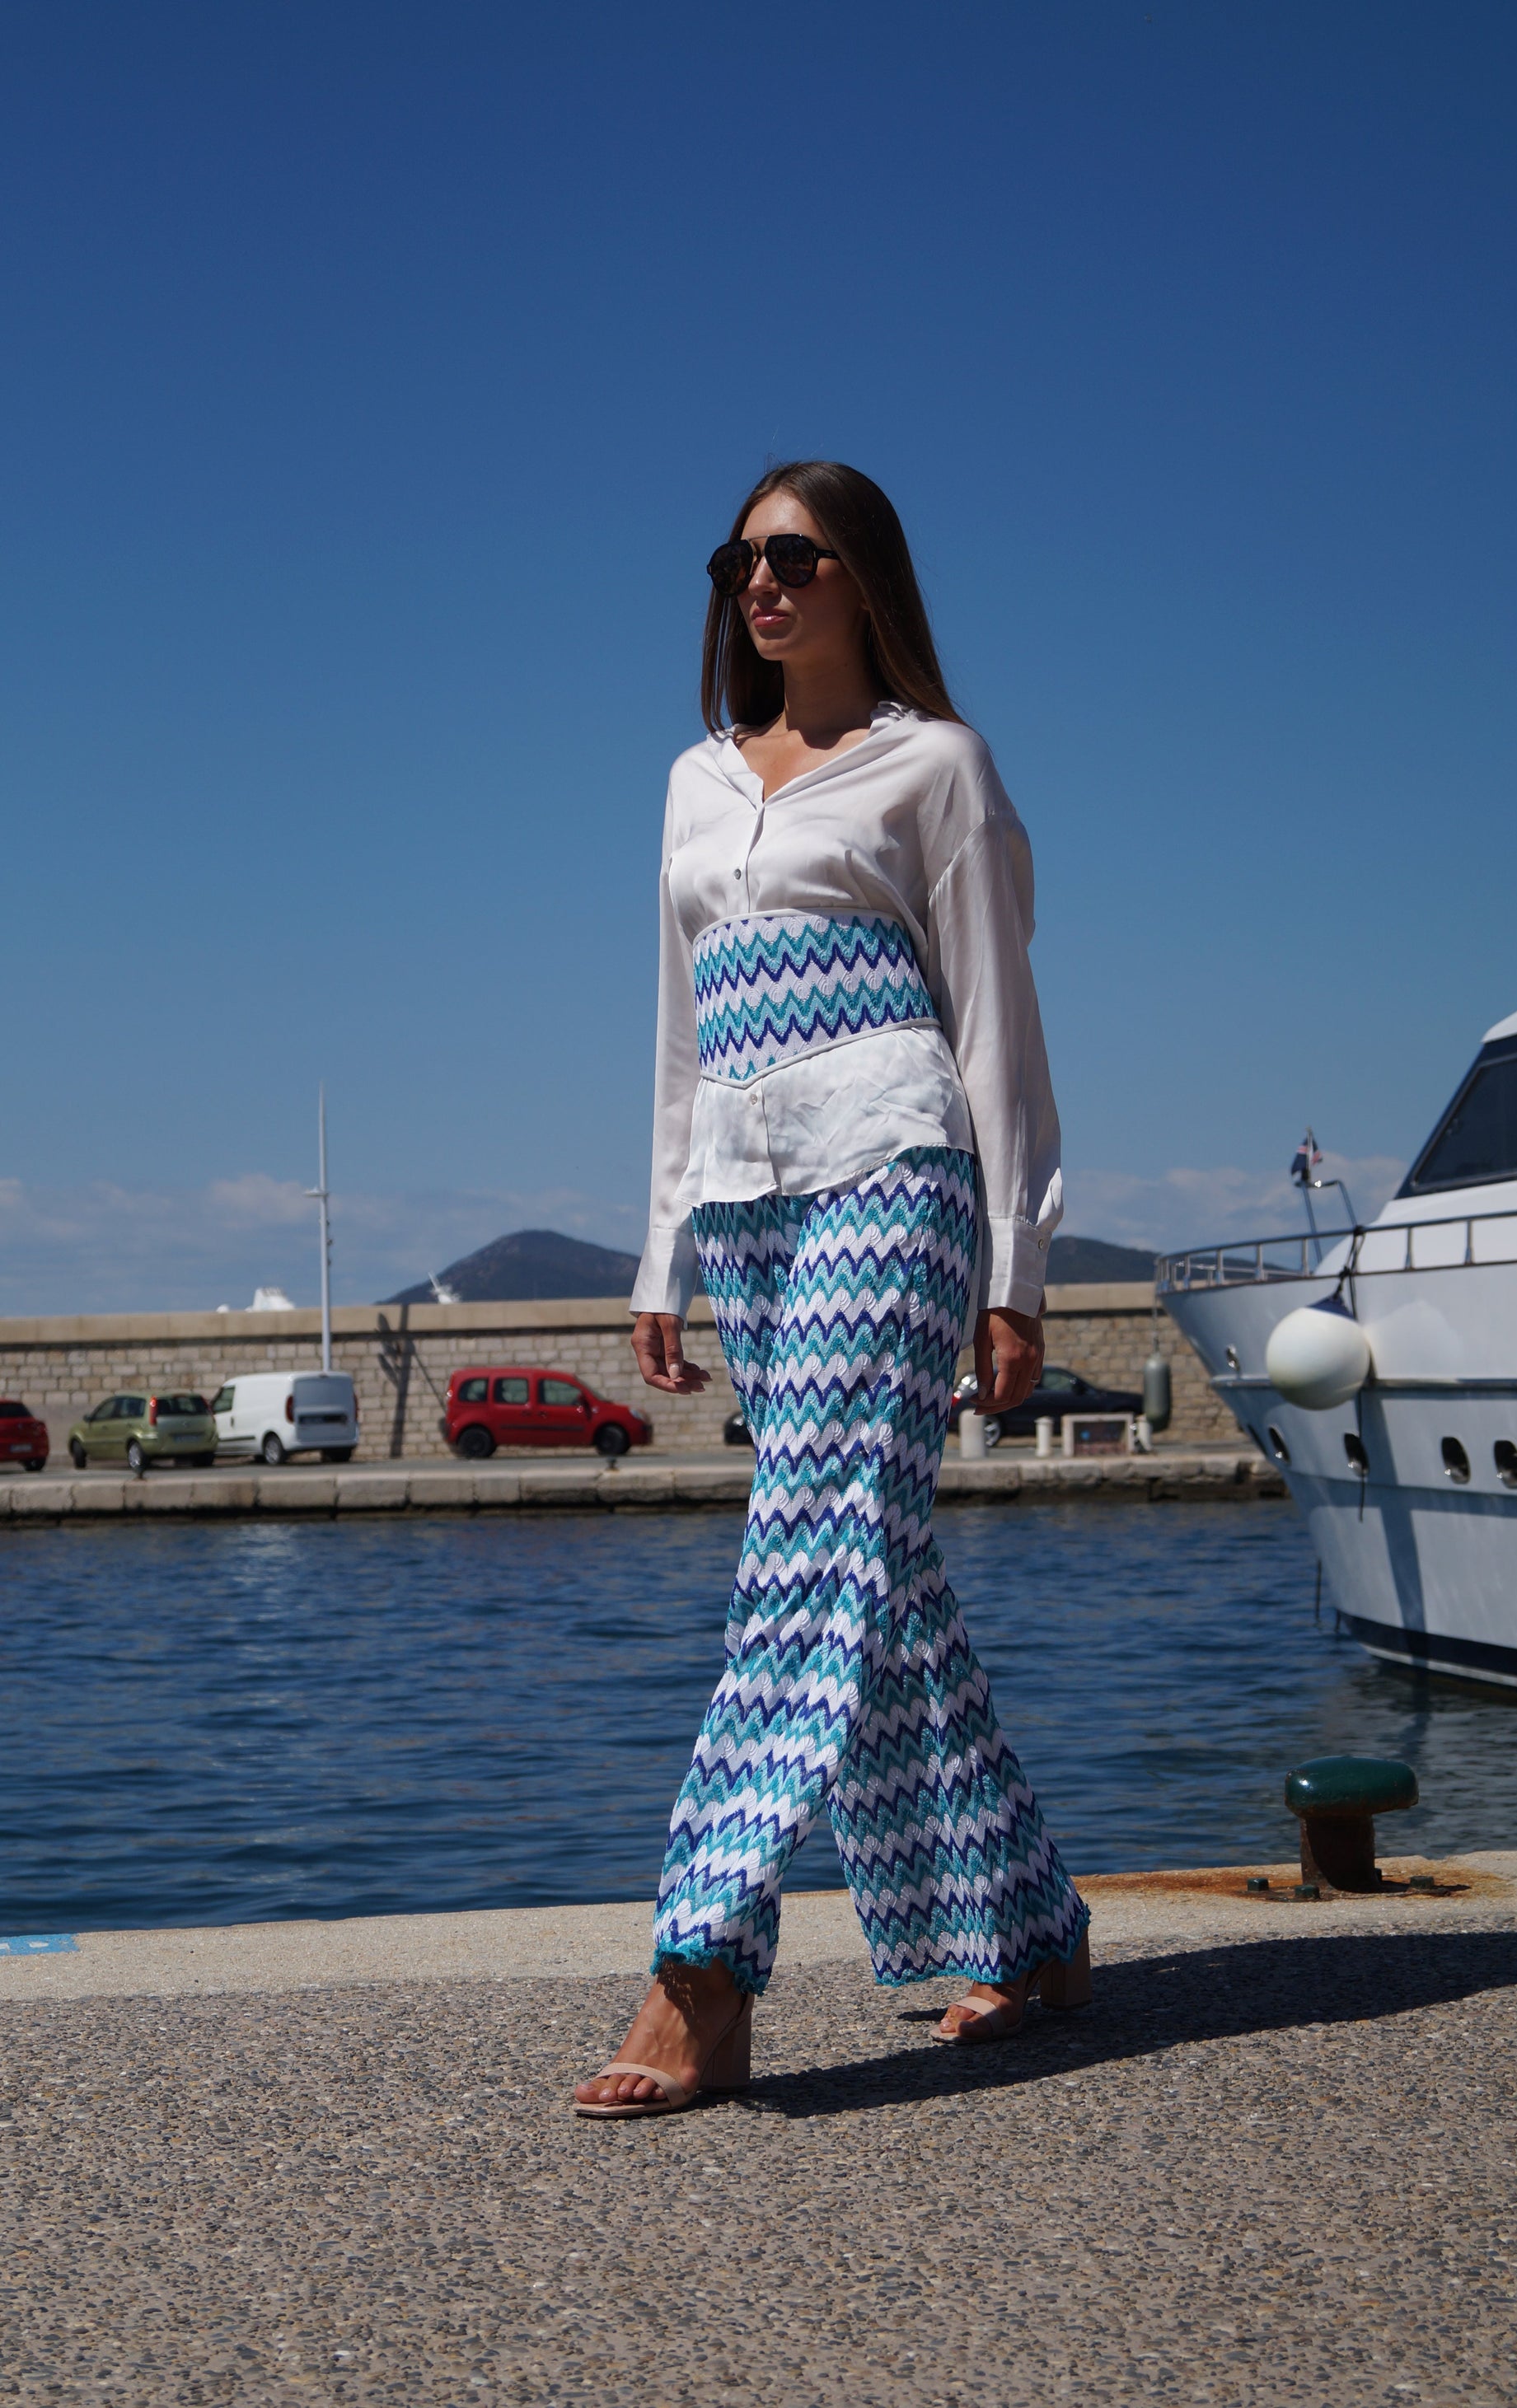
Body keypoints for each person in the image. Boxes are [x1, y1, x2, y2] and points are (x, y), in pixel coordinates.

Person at [574, 461, 1089, 2119]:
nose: (762, 583)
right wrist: (659, 1244)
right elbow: (678, 1033)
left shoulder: (936, 765)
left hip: (893, 1167)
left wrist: (1015, 1268)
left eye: (794, 555)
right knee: (880, 1570)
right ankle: (1030, 1923)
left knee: (801, 1553)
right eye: (739, 559)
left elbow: (995, 1026)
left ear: (862, 574)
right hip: (741, 1198)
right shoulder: (691, 780)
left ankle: (702, 1963)